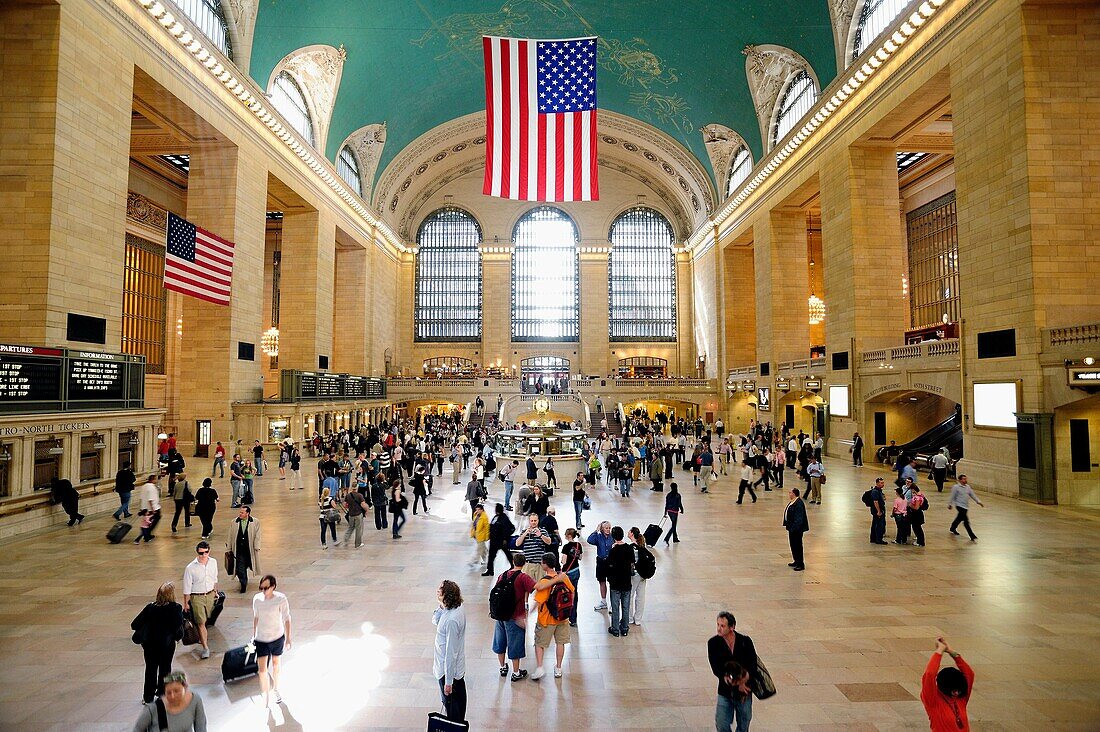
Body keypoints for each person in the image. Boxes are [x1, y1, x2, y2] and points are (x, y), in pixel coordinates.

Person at [131, 581, 185, 703]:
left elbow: (134, 624)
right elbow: (177, 627)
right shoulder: (175, 608)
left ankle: (148, 696)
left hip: (149, 645)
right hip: (166, 645)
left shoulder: (150, 607)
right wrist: (177, 638)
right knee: (165, 669)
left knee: (150, 669)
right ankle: (162, 693)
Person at [708, 611, 758, 732]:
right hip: (725, 690)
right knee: (721, 723)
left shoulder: (745, 641)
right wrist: (733, 681)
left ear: (732, 627)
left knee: (744, 723)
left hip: (744, 691)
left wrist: (742, 682)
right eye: (718, 625)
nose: (719, 629)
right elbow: (716, 668)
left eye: (722, 626)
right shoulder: (713, 643)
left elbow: (752, 665)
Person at [492, 554, 536, 682]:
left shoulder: (502, 575)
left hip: (500, 615)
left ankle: (502, 667)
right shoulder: (523, 577)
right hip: (515, 616)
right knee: (515, 645)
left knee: (500, 643)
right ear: (524, 564)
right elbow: (535, 587)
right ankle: (516, 673)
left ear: (513, 562)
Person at [531, 551, 574, 679]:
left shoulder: (544, 581)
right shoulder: (563, 577)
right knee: (560, 643)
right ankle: (559, 668)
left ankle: (540, 667)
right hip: (562, 618)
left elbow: (540, 600)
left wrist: (528, 613)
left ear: (545, 565)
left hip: (546, 619)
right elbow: (572, 591)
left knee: (539, 644)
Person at [253, 574, 292, 707]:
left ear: (273, 587)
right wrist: (253, 635)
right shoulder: (257, 599)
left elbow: (287, 618)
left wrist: (288, 638)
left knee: (276, 665)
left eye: (266, 588)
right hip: (261, 638)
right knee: (262, 670)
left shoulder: (281, 599)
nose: (263, 591)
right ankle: (265, 692)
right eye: (261, 588)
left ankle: (276, 689)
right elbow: (256, 617)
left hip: (277, 636)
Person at [921, 637, 974, 732]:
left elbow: (969, 674)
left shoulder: (961, 697)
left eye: (958, 690)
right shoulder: (933, 701)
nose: (956, 693)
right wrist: (939, 651)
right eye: (954, 690)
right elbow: (929, 674)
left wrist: (951, 652)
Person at [432, 580, 467, 722]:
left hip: (448, 672)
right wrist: (441, 606)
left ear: (447, 595)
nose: (437, 591)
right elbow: (435, 620)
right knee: (455, 707)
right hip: (447, 669)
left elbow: (451, 652)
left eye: (440, 590)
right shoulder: (452, 608)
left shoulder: (452, 620)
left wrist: (448, 682)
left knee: (453, 711)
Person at [132, 671, 206, 732]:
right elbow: (137, 729)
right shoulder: (153, 708)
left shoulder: (195, 700)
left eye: (176, 691)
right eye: (168, 693)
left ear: (185, 688)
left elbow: (201, 727)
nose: (172, 696)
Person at [182, 541, 218, 659]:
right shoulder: (190, 568)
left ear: (209, 551)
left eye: (206, 552)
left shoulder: (213, 562)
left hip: (210, 595)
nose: (204, 555)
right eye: (201, 553)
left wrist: (215, 592)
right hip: (196, 596)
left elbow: (214, 578)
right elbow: (187, 587)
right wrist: (186, 603)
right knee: (201, 622)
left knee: (205, 619)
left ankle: (202, 637)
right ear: (197, 552)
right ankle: (205, 647)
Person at [606, 526, 634, 637]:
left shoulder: (613, 550)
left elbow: (609, 565)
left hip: (615, 583)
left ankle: (615, 628)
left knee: (615, 606)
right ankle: (625, 628)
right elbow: (632, 563)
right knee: (626, 607)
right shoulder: (629, 548)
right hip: (626, 581)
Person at [227, 506, 260, 592]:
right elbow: (230, 535)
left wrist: (257, 546)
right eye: (240, 512)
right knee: (239, 567)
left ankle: (244, 577)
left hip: (249, 549)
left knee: (246, 564)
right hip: (239, 549)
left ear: (247, 513)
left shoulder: (255, 522)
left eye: (242, 512)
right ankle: (243, 583)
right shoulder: (234, 522)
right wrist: (229, 548)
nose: (240, 514)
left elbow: (257, 535)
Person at [628, 527, 653, 626]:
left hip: (634, 575)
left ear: (632, 534)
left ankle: (629, 618)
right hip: (643, 575)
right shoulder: (642, 546)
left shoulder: (631, 547)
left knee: (629, 596)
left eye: (629, 531)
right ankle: (638, 619)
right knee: (641, 597)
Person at [518, 513, 553, 583]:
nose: (533, 522)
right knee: (525, 587)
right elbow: (517, 543)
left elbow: (549, 542)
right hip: (527, 564)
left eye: (535, 520)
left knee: (541, 586)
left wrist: (540, 535)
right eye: (532, 521)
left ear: (538, 521)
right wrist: (525, 534)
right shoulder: (524, 532)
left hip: (540, 564)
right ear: (529, 521)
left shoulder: (543, 531)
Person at [587, 521, 614, 610]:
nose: (608, 530)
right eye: (606, 528)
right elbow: (589, 540)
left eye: (609, 528)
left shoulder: (612, 536)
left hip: (610, 562)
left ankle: (613, 603)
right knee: (602, 581)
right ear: (602, 528)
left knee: (612, 582)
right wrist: (596, 531)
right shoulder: (598, 536)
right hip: (601, 561)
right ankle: (603, 601)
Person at [560, 527, 583, 627]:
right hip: (576, 571)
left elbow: (564, 561)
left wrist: (561, 561)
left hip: (567, 573)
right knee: (574, 593)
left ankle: (565, 616)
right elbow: (580, 558)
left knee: (565, 594)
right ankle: (574, 619)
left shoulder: (565, 547)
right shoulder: (578, 545)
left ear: (568, 536)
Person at [948, 475, 983, 541]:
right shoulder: (956, 487)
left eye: (965, 479)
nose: (965, 480)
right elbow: (952, 496)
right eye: (963, 479)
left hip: (965, 506)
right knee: (966, 521)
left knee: (959, 518)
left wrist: (978, 502)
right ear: (960, 480)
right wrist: (950, 504)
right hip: (959, 506)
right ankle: (971, 535)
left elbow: (972, 495)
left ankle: (953, 528)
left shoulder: (968, 487)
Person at [484, 503, 514, 576]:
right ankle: (490, 570)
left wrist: (505, 538)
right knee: (491, 556)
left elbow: (510, 528)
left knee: (508, 554)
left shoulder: (504, 518)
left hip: (501, 541)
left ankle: (513, 566)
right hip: (493, 541)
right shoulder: (495, 517)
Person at [782, 487, 808, 571]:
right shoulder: (793, 501)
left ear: (794, 494)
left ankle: (800, 563)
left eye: (790, 492)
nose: (789, 494)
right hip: (791, 528)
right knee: (793, 545)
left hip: (796, 529)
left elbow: (799, 518)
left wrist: (794, 528)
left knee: (797, 546)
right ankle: (796, 561)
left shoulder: (799, 503)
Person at [342, 480, 368, 548]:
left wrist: (349, 506)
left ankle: (346, 539)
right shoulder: (360, 495)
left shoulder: (348, 496)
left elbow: (344, 505)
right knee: (358, 529)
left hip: (351, 514)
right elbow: (363, 504)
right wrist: (366, 509)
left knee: (350, 528)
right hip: (358, 514)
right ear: (357, 487)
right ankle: (358, 544)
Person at [139, 473, 162, 539]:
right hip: (152, 508)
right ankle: (147, 534)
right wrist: (153, 509)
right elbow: (150, 499)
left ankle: (147, 534)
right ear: (153, 480)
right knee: (152, 521)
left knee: (146, 522)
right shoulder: (151, 487)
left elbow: (141, 498)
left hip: (144, 507)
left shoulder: (144, 486)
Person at [469, 503, 489, 570]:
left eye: (478, 509)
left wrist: (486, 537)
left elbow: (487, 528)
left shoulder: (484, 517)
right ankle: (486, 560)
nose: (477, 511)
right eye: (476, 509)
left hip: (481, 536)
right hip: (476, 535)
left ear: (482, 510)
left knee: (479, 549)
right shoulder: (476, 515)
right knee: (483, 549)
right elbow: (474, 525)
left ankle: (474, 561)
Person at [868, 477, 887, 545]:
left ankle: (873, 538)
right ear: (877, 483)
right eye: (881, 483)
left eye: (883, 482)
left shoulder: (878, 490)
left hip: (876, 510)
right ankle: (879, 539)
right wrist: (879, 511)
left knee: (875, 524)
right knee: (879, 525)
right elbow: (875, 502)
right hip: (877, 510)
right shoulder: (875, 491)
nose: (883, 484)